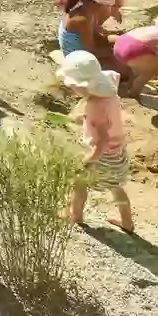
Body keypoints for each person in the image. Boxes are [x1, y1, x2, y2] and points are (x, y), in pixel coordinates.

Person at [59, 48, 135, 233]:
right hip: (117, 151)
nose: (71, 88)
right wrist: (84, 119)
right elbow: (106, 122)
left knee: (79, 182)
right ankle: (127, 222)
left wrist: (88, 161)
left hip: (102, 155)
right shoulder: (107, 87)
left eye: (73, 85)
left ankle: (75, 215)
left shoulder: (95, 106)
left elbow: (101, 141)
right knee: (116, 187)